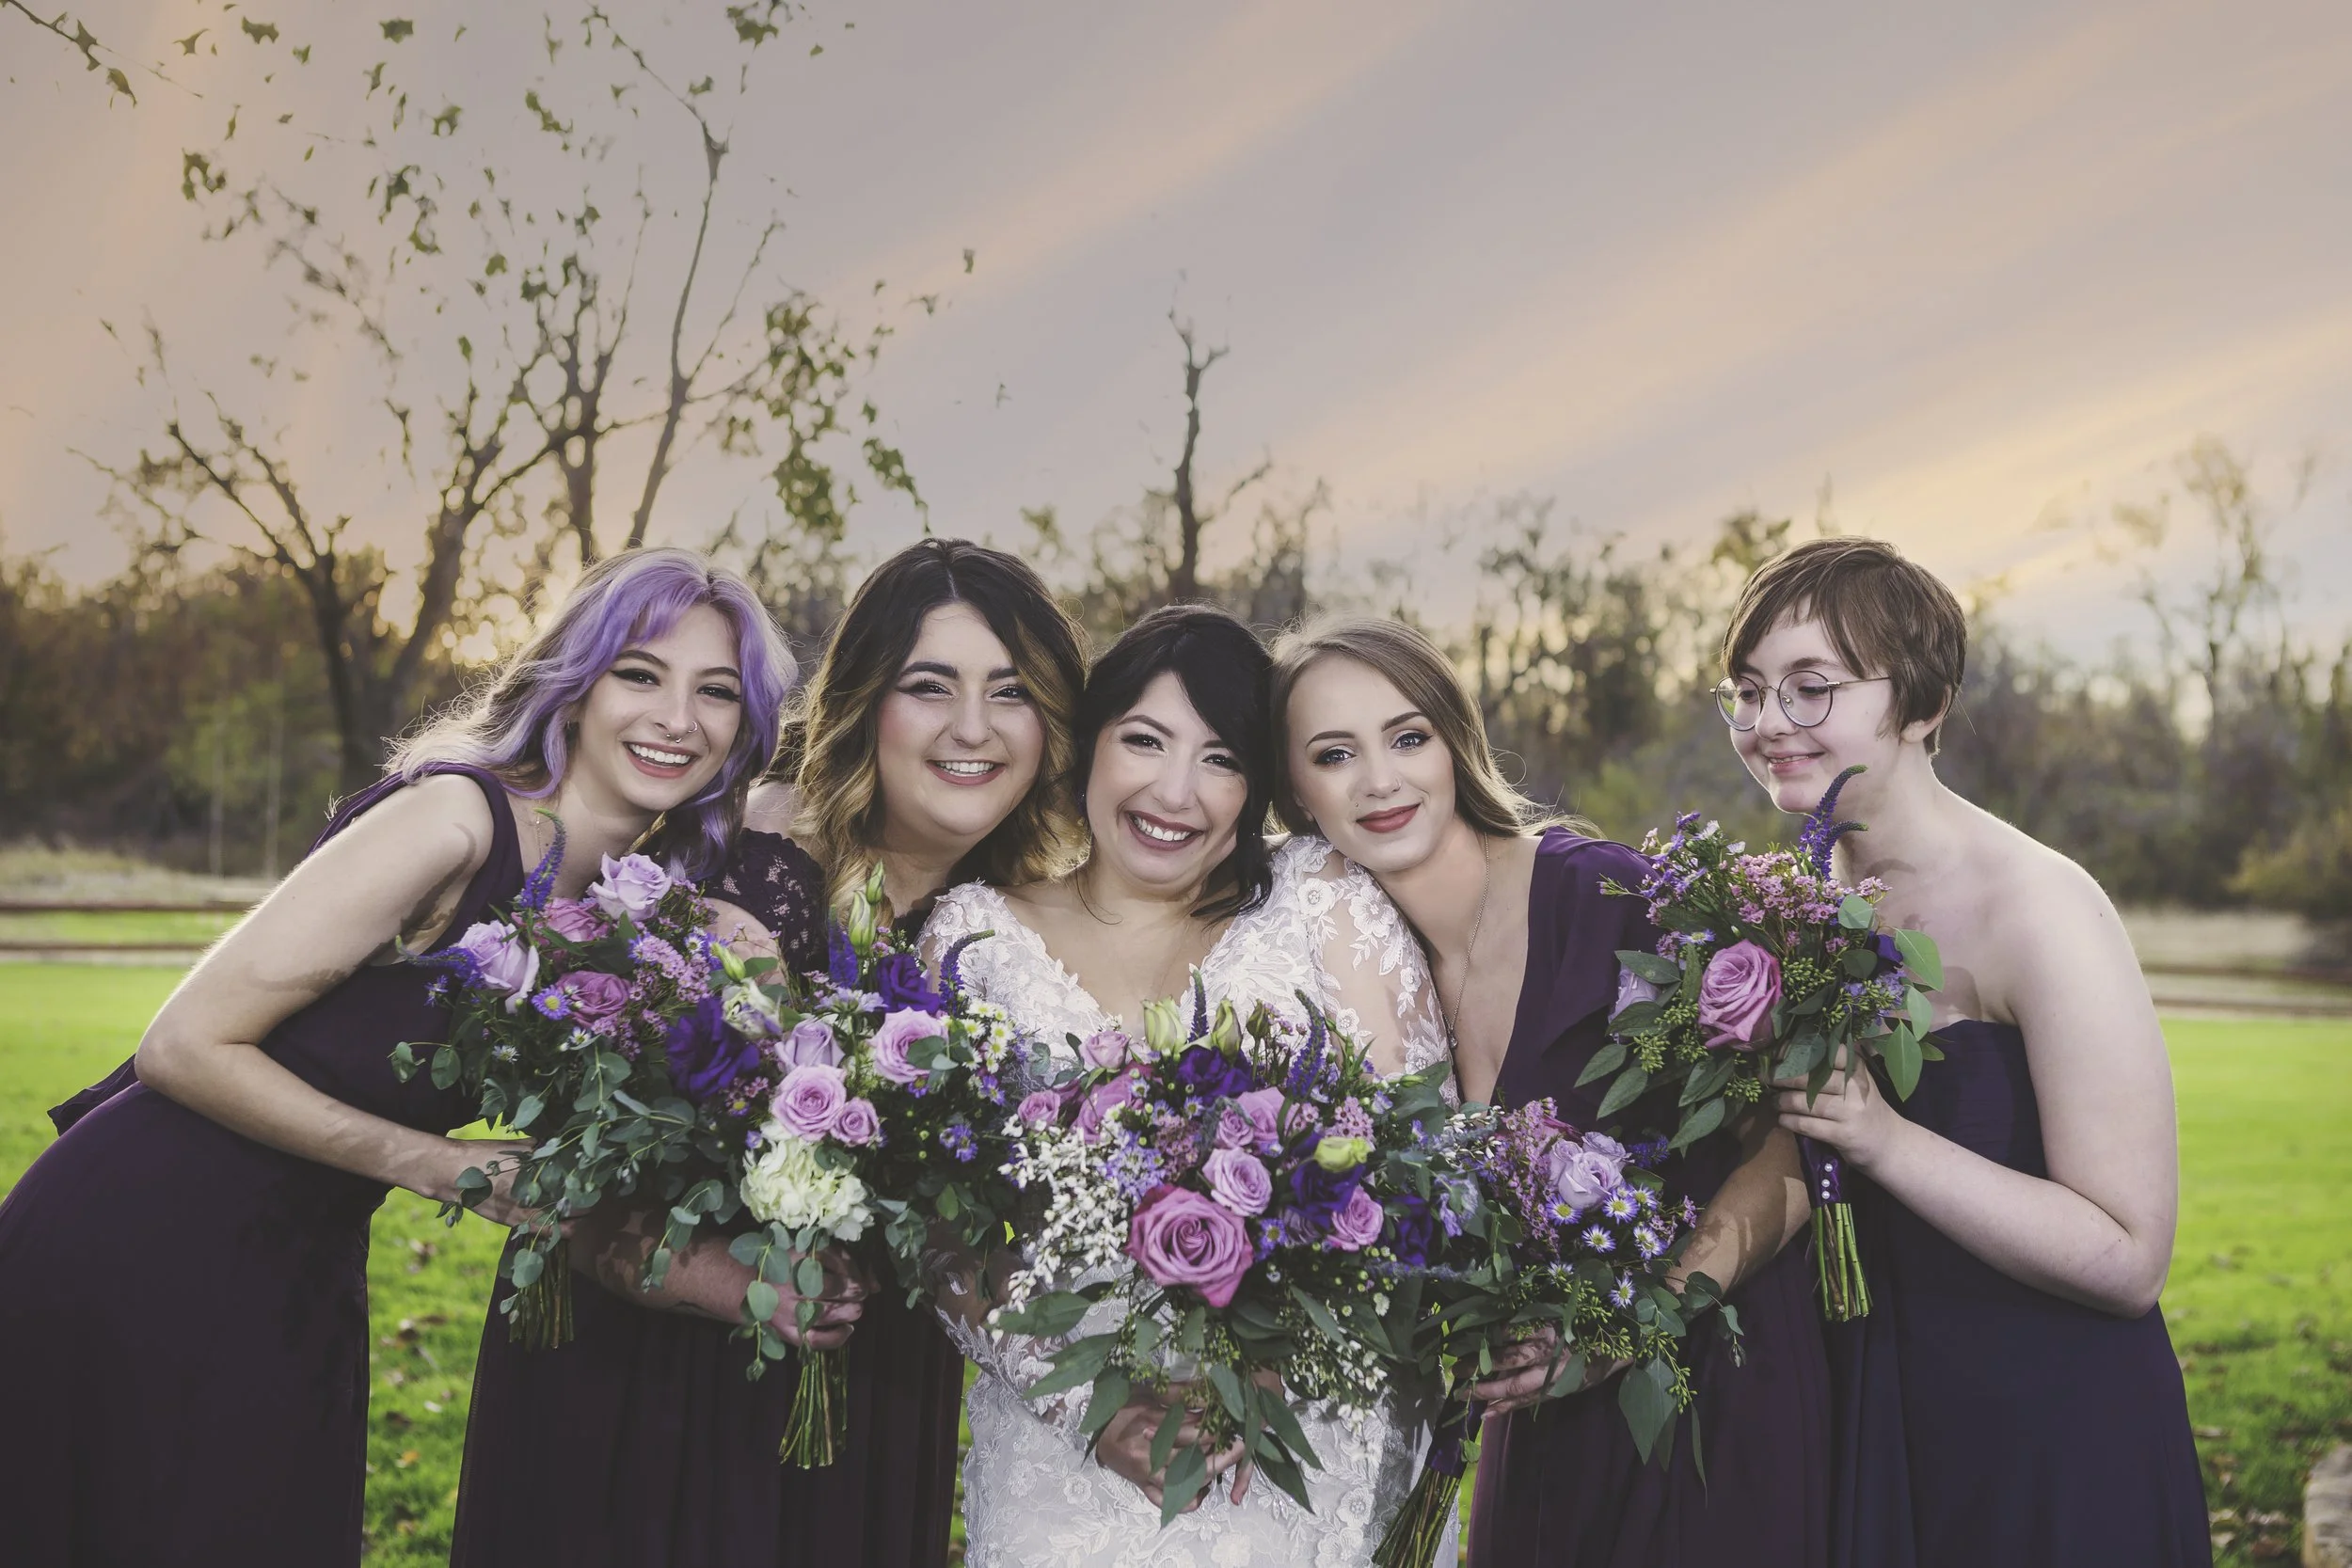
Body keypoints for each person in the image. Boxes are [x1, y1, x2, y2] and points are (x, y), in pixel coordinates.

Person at [0, 546, 796, 1568]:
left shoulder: (630, 900)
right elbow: (182, 1043)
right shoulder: (456, 818)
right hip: (149, 1231)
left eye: (716, 691)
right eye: (640, 672)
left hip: (303, 1256)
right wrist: (434, 1161)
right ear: (576, 681)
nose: (677, 716)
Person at [451, 537, 1089, 1568]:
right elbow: (579, 1190)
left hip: (869, 1382)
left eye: (1010, 691)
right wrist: (727, 1281)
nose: (972, 727)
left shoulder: (1009, 913)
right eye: (930, 686)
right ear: (865, 704)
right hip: (676, 1399)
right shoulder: (758, 873)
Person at [1269, 615, 1831, 1568]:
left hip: (1715, 1394)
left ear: (1456, 743)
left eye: (1407, 736)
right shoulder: (1348, 974)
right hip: (1542, 1427)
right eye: (1334, 753)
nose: (1378, 779)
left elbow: (1788, 1142)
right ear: (1294, 789)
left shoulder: (1602, 896)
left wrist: (1630, 1324)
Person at [920, 604, 1457, 1567]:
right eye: (1144, 740)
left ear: (1258, 784)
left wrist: (1270, 1368)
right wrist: (1088, 1402)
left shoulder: (1319, 899)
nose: (1176, 790)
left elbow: (1422, 1174)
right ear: (1087, 747)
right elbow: (938, 1226)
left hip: (1292, 1453)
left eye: (1220, 756)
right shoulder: (973, 939)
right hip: (1061, 1467)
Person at [1719, 538, 2209, 1566]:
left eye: (1811, 688)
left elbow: (2129, 1254)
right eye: (1748, 691)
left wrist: (1881, 1138)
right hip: (1867, 1415)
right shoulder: (1788, 903)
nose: (1769, 724)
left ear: (1925, 702)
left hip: (2044, 1435)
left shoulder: (2040, 908)